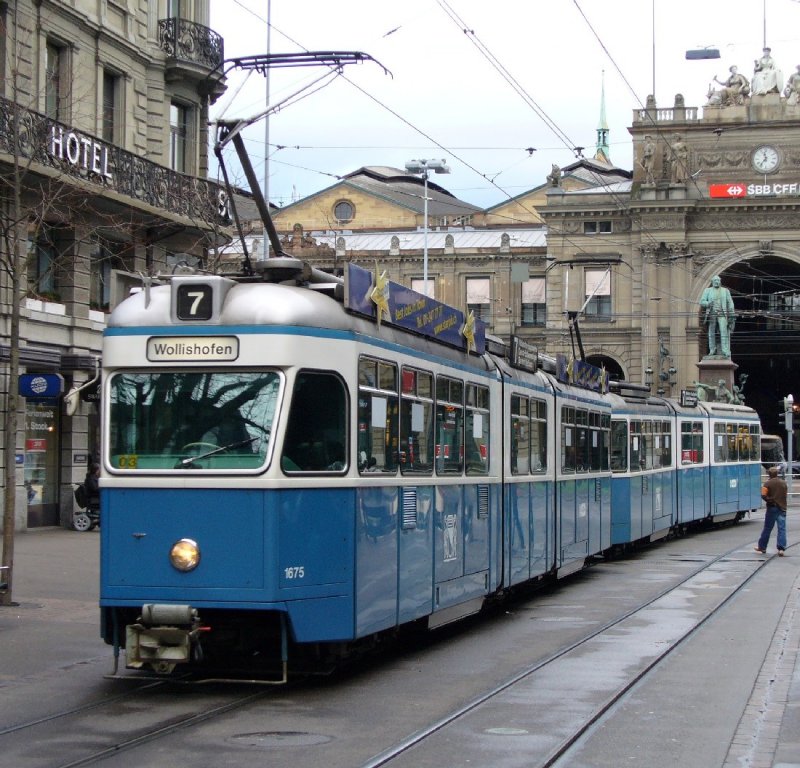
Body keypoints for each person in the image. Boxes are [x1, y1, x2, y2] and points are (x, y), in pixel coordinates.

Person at [699, 275, 735, 357]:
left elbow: (730, 302)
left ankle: (725, 350)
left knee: (724, 331)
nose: (716, 282)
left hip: (722, 314)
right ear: (712, 282)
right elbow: (702, 301)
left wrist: (731, 313)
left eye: (718, 280)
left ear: (720, 281)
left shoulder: (725, 291)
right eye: (715, 280)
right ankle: (712, 349)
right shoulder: (707, 290)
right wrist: (708, 303)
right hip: (711, 313)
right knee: (711, 332)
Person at [755, 466, 787, 555]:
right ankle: (781, 549)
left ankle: (762, 547)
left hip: (772, 508)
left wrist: (770, 501)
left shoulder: (767, 484)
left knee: (767, 528)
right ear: (777, 474)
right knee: (782, 529)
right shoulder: (783, 483)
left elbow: (763, 495)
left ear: (769, 474)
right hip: (782, 508)